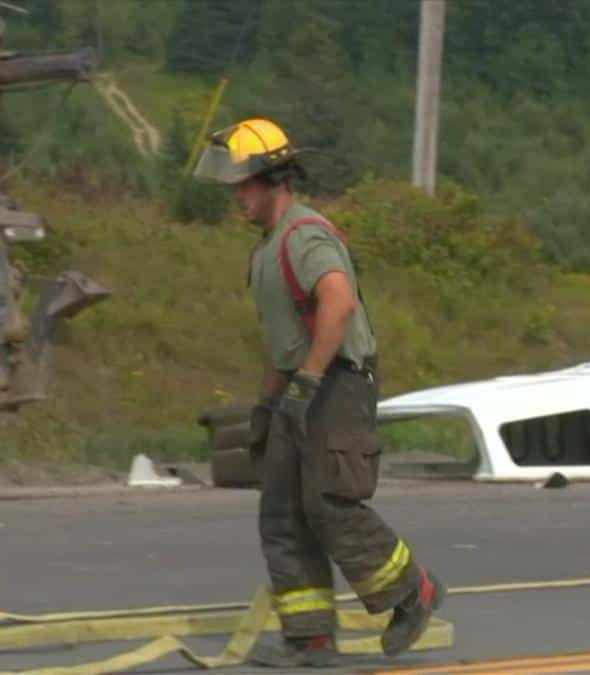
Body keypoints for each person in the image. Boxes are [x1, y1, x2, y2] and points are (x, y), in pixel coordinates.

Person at [193, 118, 445, 667]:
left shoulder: (303, 236)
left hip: (338, 382)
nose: (237, 197)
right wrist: (266, 407)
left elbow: (339, 304)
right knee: (281, 511)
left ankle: (413, 591)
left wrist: (306, 383)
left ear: (274, 180)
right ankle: (309, 640)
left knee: (328, 503)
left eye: (244, 185)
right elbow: (280, 343)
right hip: (301, 384)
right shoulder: (265, 253)